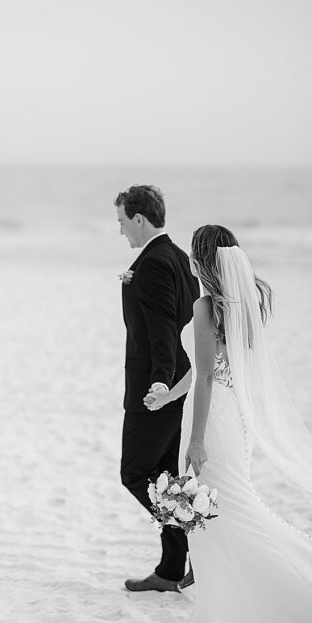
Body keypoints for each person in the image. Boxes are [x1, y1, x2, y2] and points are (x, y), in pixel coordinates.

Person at [151, 225, 312, 623]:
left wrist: (194, 440)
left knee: (223, 514)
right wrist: (168, 397)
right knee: (225, 512)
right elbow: (208, 370)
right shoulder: (245, 301)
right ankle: (225, 612)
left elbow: (208, 374)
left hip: (212, 420)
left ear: (201, 260)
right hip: (233, 415)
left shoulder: (204, 305)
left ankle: (272, 608)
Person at [114, 185, 198, 593]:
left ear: (140, 218)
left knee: (135, 472)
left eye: (122, 221)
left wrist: (160, 382)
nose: (121, 231)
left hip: (156, 387)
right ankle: (170, 570)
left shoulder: (152, 264)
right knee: (166, 475)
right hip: (176, 379)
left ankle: (189, 540)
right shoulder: (180, 258)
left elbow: (165, 327)